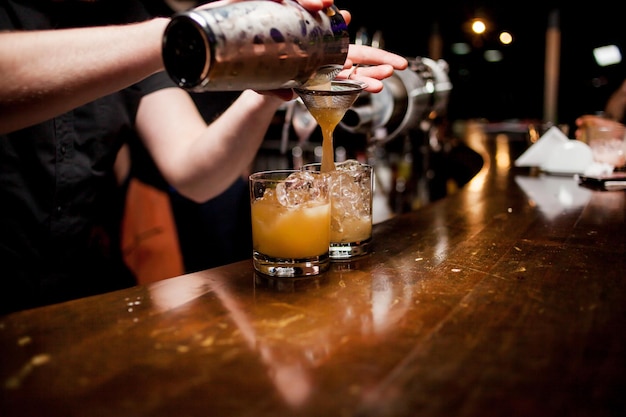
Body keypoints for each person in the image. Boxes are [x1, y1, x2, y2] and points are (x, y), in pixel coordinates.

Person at [0, 0, 409, 315]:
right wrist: (185, 34)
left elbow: (196, 174)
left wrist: (266, 85)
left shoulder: (125, 10)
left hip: (75, 298)